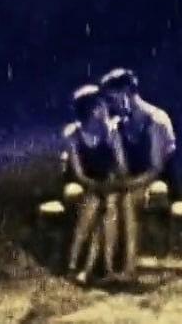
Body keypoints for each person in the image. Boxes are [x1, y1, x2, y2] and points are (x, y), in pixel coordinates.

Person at [98, 67, 177, 278]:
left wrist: (128, 185)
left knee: (127, 200)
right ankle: (108, 266)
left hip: (158, 179)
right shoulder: (118, 124)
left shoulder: (156, 120)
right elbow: (123, 168)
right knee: (111, 200)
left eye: (112, 99)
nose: (111, 105)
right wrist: (113, 137)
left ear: (126, 93)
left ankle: (129, 266)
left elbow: (156, 167)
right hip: (133, 179)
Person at [62, 84, 128, 285]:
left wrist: (109, 184)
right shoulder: (74, 134)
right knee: (91, 206)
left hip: (107, 182)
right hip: (84, 183)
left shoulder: (111, 132)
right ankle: (74, 265)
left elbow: (121, 168)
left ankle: (102, 267)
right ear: (91, 110)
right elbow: (79, 174)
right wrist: (96, 187)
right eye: (101, 105)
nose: (106, 108)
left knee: (109, 207)